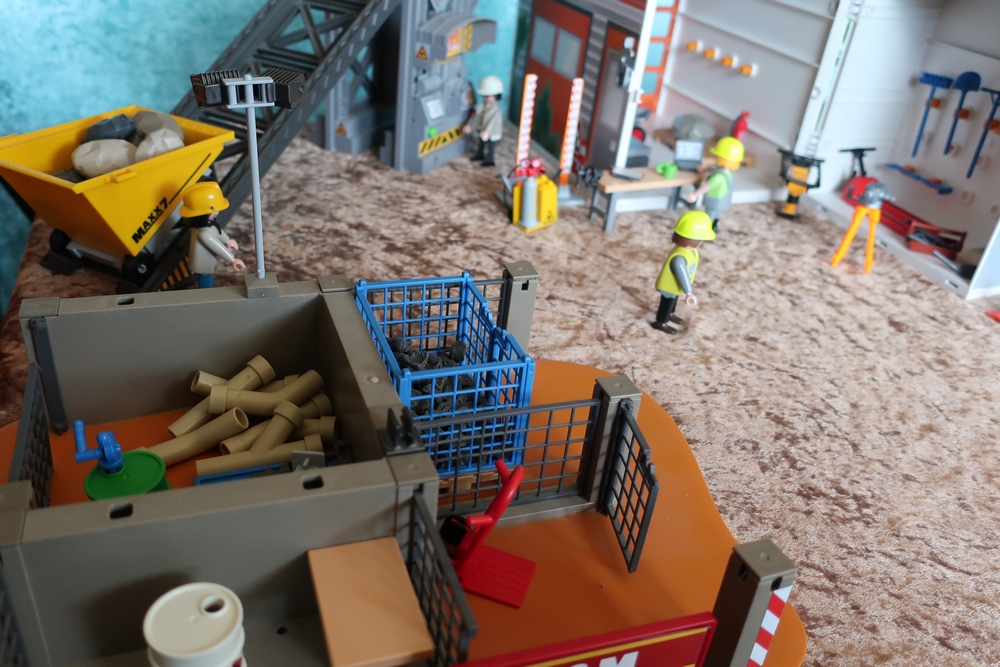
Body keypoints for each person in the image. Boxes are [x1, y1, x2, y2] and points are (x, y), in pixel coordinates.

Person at [652, 210, 716, 334]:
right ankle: (661, 321)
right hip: (669, 286)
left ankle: (670, 314)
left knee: (673, 301)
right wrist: (689, 292)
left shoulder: (691, 251)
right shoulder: (679, 258)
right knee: (666, 303)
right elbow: (682, 274)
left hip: (675, 286)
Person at [178, 182, 246, 288]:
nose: (217, 211)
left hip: (207, 260)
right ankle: (206, 294)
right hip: (203, 263)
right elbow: (216, 245)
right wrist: (232, 259)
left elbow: (216, 230)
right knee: (206, 281)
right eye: (214, 210)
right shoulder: (204, 234)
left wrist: (227, 240)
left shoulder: (208, 224)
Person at [684, 136, 744, 233]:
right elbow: (718, 170)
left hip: (714, 199)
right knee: (716, 214)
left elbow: (707, 186)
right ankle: (714, 227)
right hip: (723, 199)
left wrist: (694, 195)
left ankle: (707, 230)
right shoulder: (729, 172)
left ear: (721, 159)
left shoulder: (718, 177)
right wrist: (706, 169)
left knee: (709, 215)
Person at [463, 75, 504, 168]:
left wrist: (487, 132)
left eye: (487, 96)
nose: (485, 98)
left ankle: (490, 160)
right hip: (481, 129)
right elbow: (476, 116)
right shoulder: (482, 106)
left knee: (490, 146)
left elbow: (493, 122)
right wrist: (470, 125)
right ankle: (479, 154)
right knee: (480, 143)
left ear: (496, 96)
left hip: (491, 132)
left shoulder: (496, 110)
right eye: (484, 96)